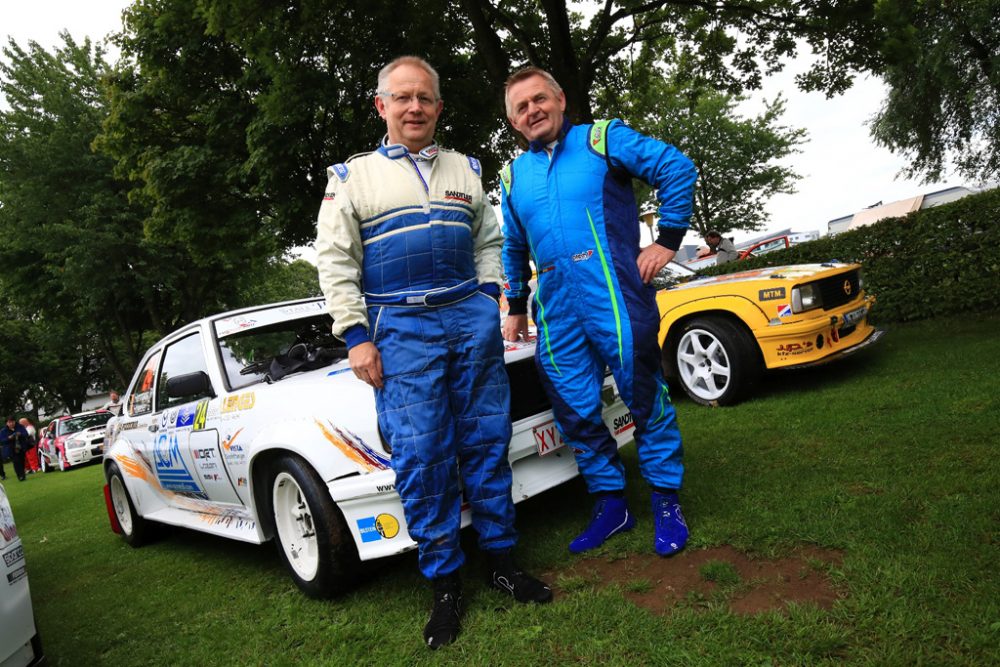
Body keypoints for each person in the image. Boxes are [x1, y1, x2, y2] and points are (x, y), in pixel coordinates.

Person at [315, 55, 551, 649]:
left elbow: (489, 241)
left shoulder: (466, 169)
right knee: (423, 456)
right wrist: (356, 335)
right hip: (397, 328)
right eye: (403, 98)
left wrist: (489, 296)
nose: (414, 107)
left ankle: (500, 559)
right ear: (382, 107)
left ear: (438, 107)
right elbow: (336, 263)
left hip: (468, 322)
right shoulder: (352, 177)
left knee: (485, 439)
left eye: (425, 98)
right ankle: (445, 584)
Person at [499, 67, 697, 558]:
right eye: (521, 108)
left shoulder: (602, 139)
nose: (532, 111)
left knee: (644, 396)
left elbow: (675, 166)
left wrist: (667, 241)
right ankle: (612, 504)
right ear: (513, 122)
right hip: (557, 311)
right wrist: (516, 306)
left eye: (539, 99)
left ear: (560, 99)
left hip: (616, 296)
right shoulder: (511, 176)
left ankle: (666, 500)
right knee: (574, 410)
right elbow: (512, 243)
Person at [0, 417, 31, 482]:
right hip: (11, 449)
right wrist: (9, 438)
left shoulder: (20, 427)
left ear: (14, 421)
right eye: (9, 422)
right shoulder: (3, 431)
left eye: (12, 422)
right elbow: (2, 440)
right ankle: (20, 476)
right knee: (16, 462)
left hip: (21, 447)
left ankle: (22, 474)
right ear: (6, 423)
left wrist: (20, 434)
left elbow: (26, 434)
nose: (11, 423)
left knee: (22, 461)